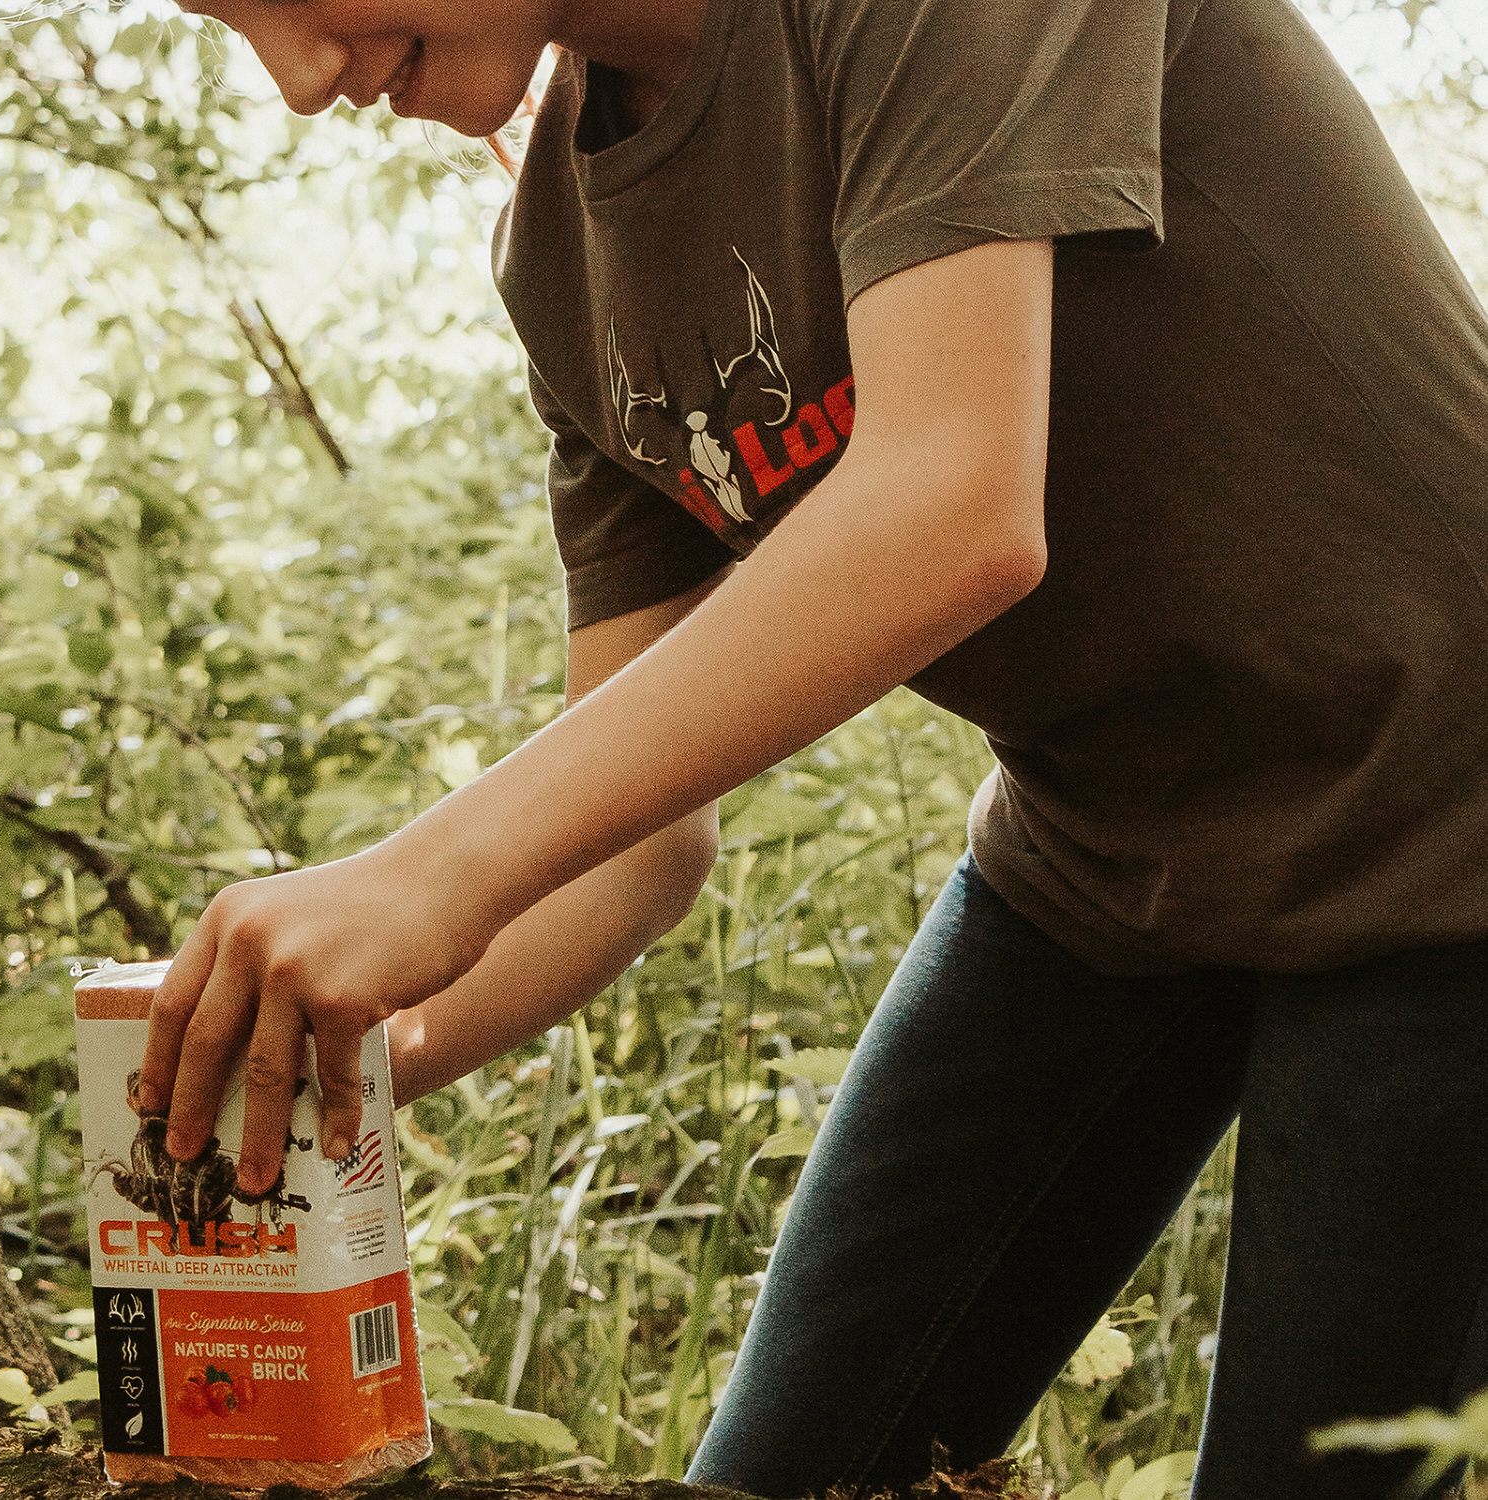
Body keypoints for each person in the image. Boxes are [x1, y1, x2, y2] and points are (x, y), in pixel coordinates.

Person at [135, 0, 1488, 1494]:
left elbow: (955, 509)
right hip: (1102, 865)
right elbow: (642, 836)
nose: (299, 80)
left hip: (1451, 831)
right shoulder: (563, 260)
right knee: (777, 1477)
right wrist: (352, 1058)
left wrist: (425, 872)